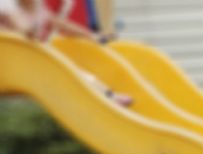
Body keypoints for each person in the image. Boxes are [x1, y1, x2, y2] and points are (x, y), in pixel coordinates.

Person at [0, 0, 132, 107]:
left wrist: (90, 35)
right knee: (67, 72)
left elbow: (63, 26)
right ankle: (107, 97)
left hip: (35, 60)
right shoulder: (12, 12)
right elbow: (24, 28)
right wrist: (31, 30)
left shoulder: (40, 11)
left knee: (72, 71)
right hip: (16, 63)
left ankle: (109, 95)